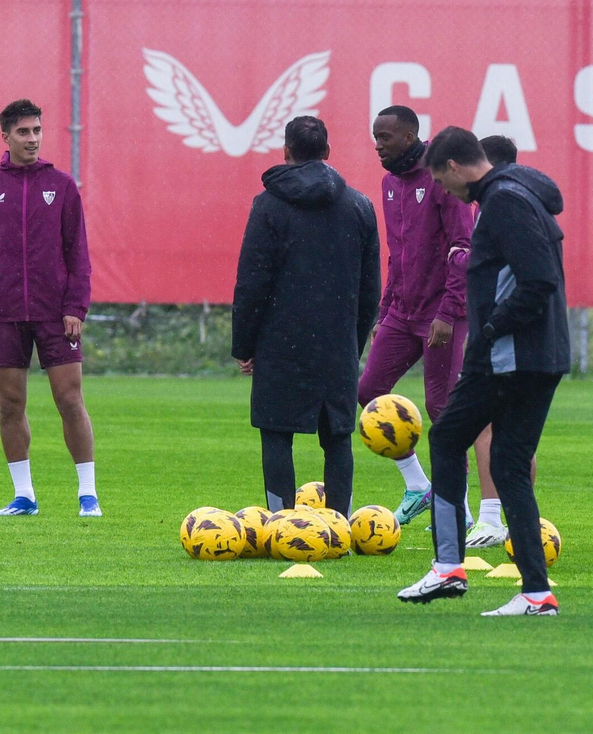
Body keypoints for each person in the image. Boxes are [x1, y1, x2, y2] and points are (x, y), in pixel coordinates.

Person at [395, 127, 570, 617]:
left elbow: (538, 279)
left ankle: (448, 566)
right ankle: (536, 593)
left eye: (439, 180)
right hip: (541, 355)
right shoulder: (520, 193)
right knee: (509, 464)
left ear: (453, 166)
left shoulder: (504, 202)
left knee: (447, 438)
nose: (443, 192)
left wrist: (492, 328)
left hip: (508, 357)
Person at [0, 99, 98, 517]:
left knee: (70, 399)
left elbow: (78, 253)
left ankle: (88, 494)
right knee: (10, 404)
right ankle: (24, 495)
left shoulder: (62, 186)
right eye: (23, 132)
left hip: (56, 314)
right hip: (7, 314)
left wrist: (76, 306)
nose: (32, 139)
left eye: (37, 131)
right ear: (6, 137)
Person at [233, 116, 380, 516]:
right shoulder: (360, 206)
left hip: (280, 342)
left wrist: (244, 344)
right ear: (327, 152)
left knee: (276, 434)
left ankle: (281, 522)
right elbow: (371, 289)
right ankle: (340, 525)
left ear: (286, 152)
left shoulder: (268, 205)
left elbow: (252, 281)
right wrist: (352, 342)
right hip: (337, 343)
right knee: (337, 437)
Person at [355, 106, 485, 535]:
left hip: (441, 315)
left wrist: (449, 312)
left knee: (442, 410)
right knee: (369, 392)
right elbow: (398, 253)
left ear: (409, 137)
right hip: (401, 311)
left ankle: (460, 509)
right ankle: (417, 485)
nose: (378, 145)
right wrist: (384, 310)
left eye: (385, 137)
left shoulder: (441, 178)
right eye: (375, 137)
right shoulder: (390, 182)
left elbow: (463, 247)